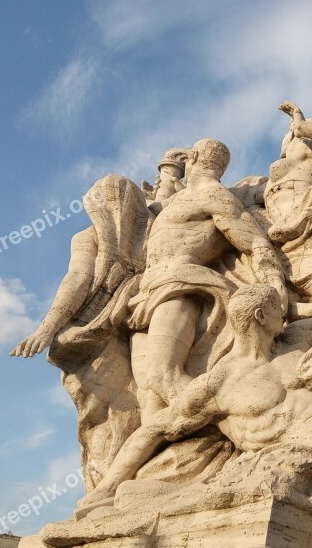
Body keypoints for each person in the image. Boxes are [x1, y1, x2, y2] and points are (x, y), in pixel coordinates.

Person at [75, 285, 312, 517]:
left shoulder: (296, 340)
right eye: (280, 311)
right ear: (263, 316)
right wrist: (107, 487)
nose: (287, 315)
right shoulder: (221, 382)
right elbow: (156, 430)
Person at [127, 139, 288, 419]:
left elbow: (253, 241)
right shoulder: (180, 198)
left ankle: (240, 423)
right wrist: (168, 171)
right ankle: (166, 454)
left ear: (196, 157)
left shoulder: (211, 193)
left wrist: (275, 282)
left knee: (163, 374)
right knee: (149, 393)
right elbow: (152, 206)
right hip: (146, 293)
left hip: (178, 284)